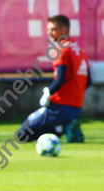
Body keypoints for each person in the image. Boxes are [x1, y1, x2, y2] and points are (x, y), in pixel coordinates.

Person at [18, 15, 91, 143]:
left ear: (64, 29)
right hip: (77, 108)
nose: (49, 33)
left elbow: (60, 79)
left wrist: (48, 93)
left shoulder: (61, 49)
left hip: (59, 107)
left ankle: (62, 127)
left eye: (53, 29)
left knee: (21, 134)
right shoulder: (81, 49)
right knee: (41, 128)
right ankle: (66, 126)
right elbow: (88, 81)